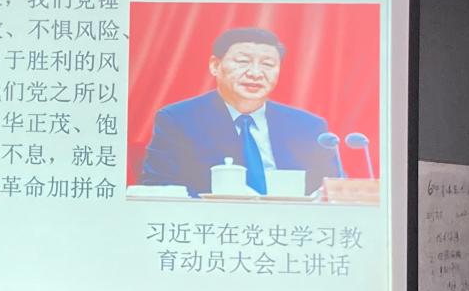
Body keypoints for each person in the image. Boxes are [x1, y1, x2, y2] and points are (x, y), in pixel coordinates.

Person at [140, 27, 338, 197]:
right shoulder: (179, 119)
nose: (255, 73)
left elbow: (331, 189)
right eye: (243, 61)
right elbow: (158, 186)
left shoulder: (308, 126)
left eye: (268, 65)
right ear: (215, 66)